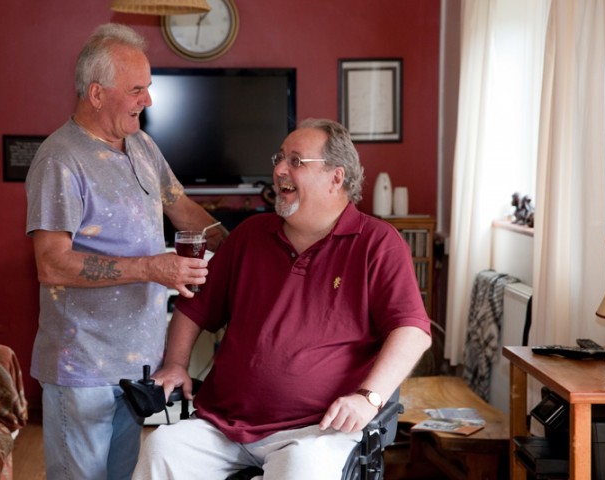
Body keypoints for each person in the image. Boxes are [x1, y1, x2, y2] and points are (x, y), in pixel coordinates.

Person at [133, 118, 432, 479]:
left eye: (295, 161)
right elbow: (195, 307)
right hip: (224, 422)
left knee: (301, 469)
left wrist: (368, 398)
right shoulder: (249, 236)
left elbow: (413, 330)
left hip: (316, 429)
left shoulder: (378, 243)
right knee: (162, 449)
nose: (277, 170)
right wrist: (177, 363)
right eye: (279, 158)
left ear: (336, 177)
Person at [25, 23, 226, 480]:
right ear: (97, 94)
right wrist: (152, 267)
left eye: (148, 88)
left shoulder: (141, 145)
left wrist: (247, 251)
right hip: (82, 370)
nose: (148, 101)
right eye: (137, 89)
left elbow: (184, 210)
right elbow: (51, 263)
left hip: (140, 366)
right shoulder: (60, 160)